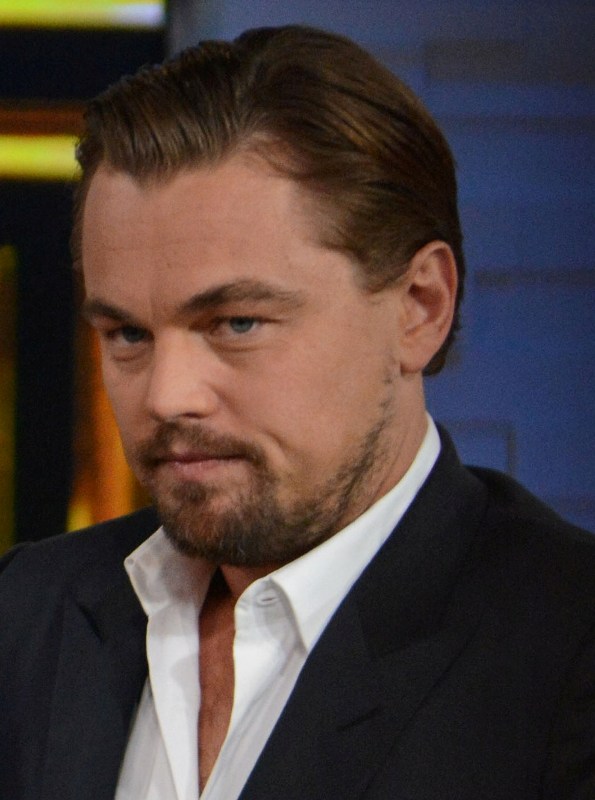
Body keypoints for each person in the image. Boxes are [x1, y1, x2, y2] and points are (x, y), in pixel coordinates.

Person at [1, 24, 594, 800]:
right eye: (128, 334)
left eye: (236, 323)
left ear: (419, 307)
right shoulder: (26, 613)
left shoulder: (567, 654)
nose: (167, 395)